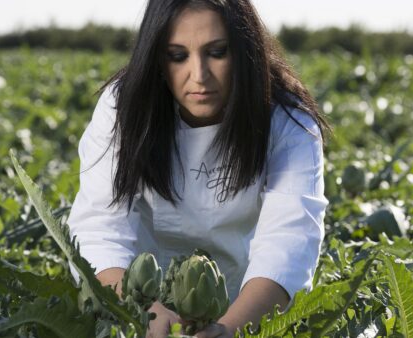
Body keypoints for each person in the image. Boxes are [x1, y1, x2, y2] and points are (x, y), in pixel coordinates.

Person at [67, 0, 331, 337]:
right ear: (158, 60)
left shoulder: (287, 121)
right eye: (178, 56)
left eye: (217, 52)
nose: (199, 76)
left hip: (246, 306)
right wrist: (140, 311)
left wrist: (229, 329)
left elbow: (289, 242)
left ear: (244, 51)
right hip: (131, 304)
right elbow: (99, 227)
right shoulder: (123, 109)